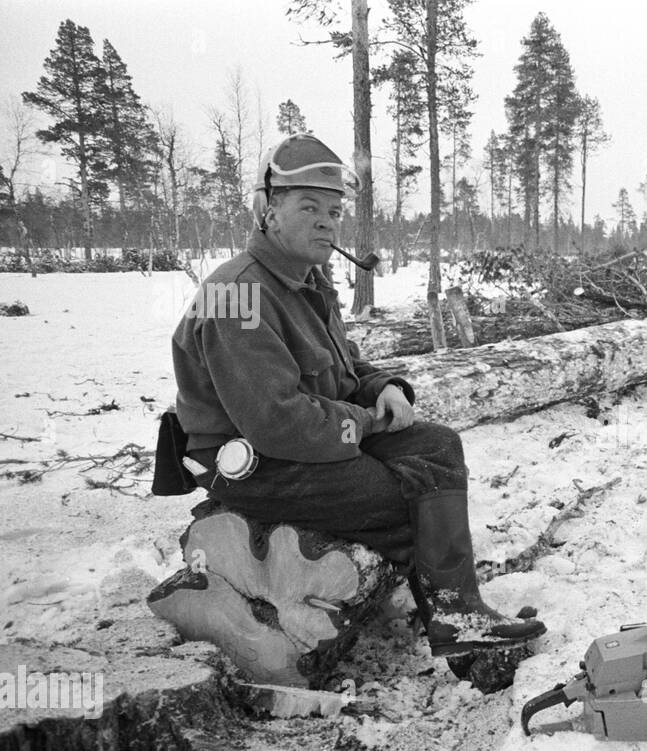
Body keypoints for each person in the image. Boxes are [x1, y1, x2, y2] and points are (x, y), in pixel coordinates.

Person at [166, 132, 543, 679]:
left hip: (310, 435)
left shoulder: (305, 279)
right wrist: (365, 423)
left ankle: (458, 614)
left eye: (335, 211)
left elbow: (339, 367)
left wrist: (379, 387)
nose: (327, 222)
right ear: (266, 213)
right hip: (254, 461)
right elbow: (279, 423)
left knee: (438, 447)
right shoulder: (239, 295)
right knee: (400, 498)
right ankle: (449, 619)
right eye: (309, 207)